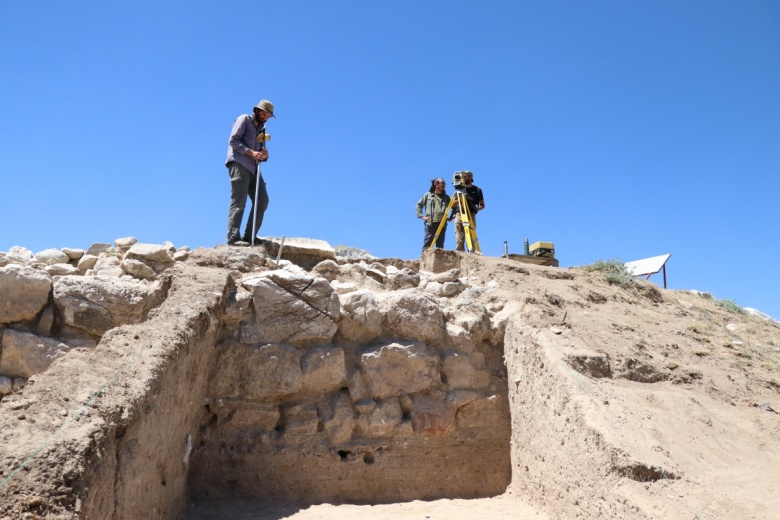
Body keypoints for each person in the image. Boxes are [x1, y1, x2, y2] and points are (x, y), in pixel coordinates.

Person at [225, 100, 276, 246]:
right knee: (239, 201)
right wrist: (251, 153)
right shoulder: (244, 119)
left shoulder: (262, 129)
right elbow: (233, 141)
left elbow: (260, 152)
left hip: (254, 167)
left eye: (268, 115)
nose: (266, 117)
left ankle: (249, 237)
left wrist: (264, 154)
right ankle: (233, 238)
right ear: (257, 110)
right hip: (239, 163)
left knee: (262, 200)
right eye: (264, 113)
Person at [416, 177, 452, 251]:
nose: (444, 185)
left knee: (440, 245)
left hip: (442, 224)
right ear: (436, 184)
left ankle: (439, 261)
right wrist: (422, 216)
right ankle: (424, 261)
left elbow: (454, 206)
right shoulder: (428, 195)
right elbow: (418, 205)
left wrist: (451, 217)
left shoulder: (446, 197)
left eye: (444, 183)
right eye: (442, 183)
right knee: (428, 243)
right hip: (431, 223)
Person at [452, 170, 485, 251]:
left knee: (470, 233)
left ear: (470, 177)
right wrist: (460, 199)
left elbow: (482, 205)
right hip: (459, 212)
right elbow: (452, 204)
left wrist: (476, 208)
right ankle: (460, 251)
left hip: (470, 213)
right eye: (462, 176)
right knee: (458, 229)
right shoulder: (459, 190)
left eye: (465, 176)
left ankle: (471, 251)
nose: (463, 178)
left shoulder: (477, 189)